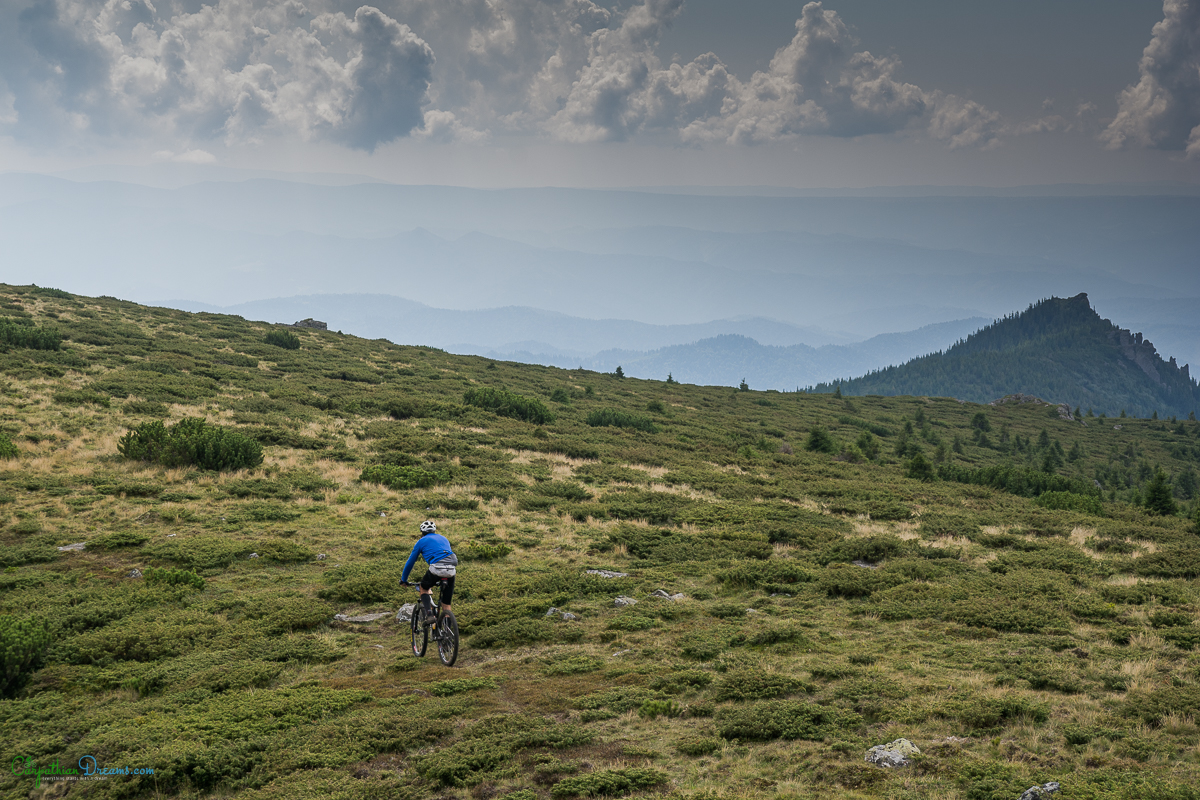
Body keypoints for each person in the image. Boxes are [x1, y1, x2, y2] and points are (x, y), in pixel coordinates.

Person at [399, 520, 458, 624]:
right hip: (451, 569)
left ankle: (429, 615)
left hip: (437, 567)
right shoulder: (444, 538)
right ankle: (448, 633)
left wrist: (404, 579)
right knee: (446, 604)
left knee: (423, 587)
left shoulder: (421, 541)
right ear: (434, 530)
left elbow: (410, 562)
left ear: (422, 532)